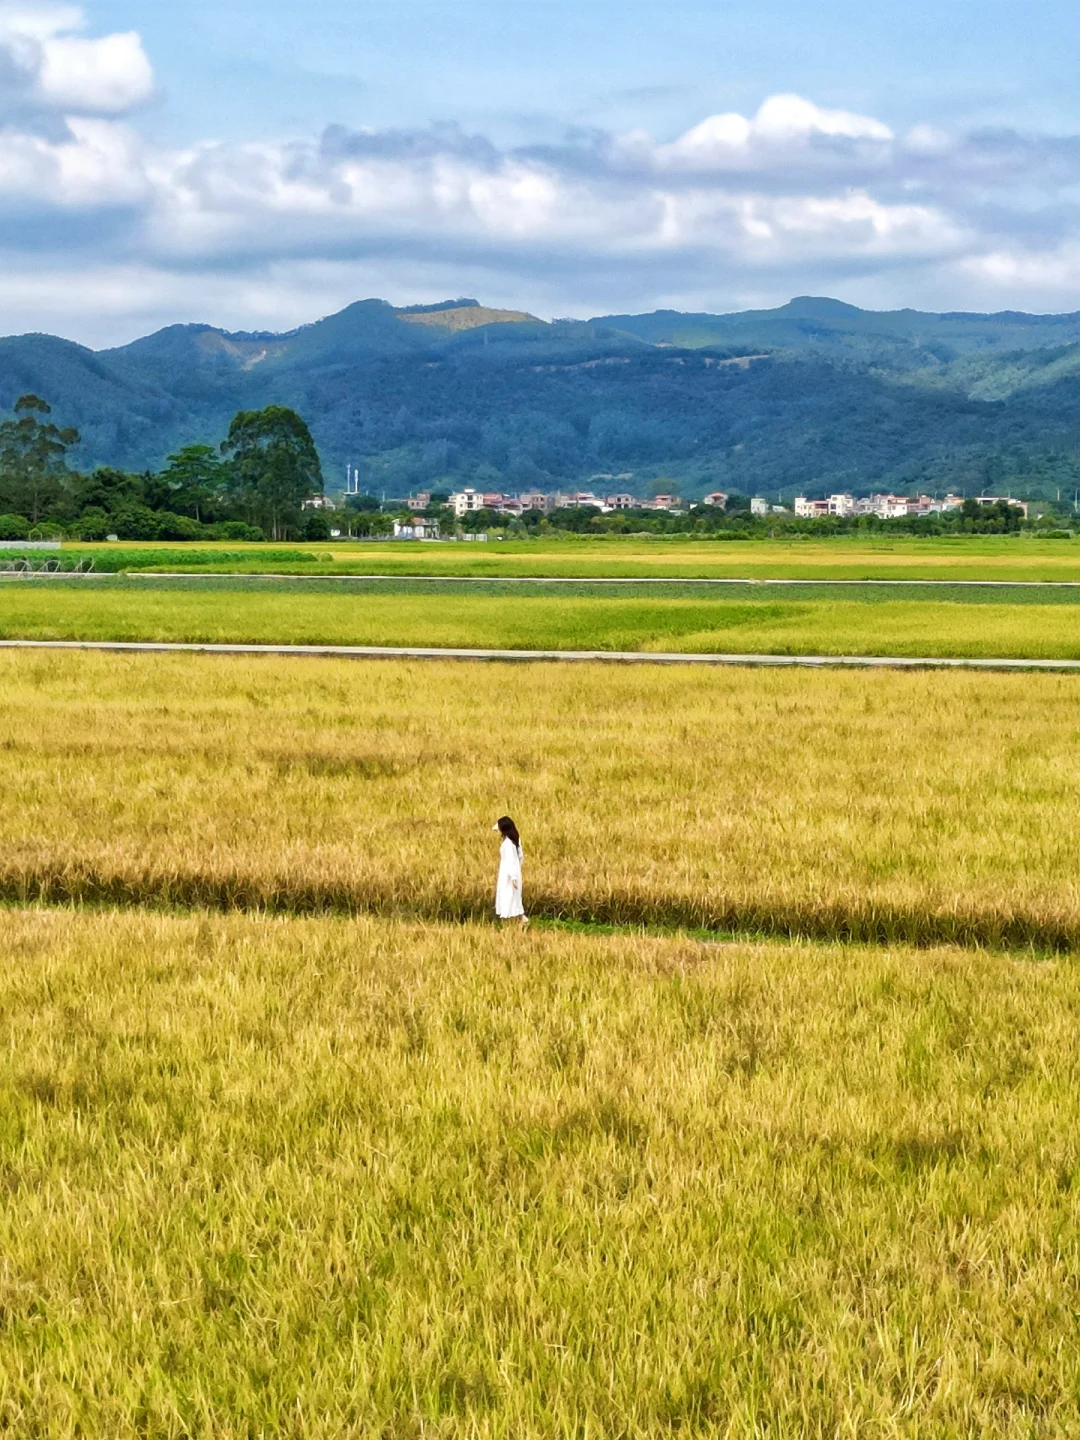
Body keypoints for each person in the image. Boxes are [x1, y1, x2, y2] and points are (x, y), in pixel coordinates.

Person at [493, 816, 528, 928]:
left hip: (508, 875)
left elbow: (510, 860)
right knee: (513, 898)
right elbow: (520, 857)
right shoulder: (515, 840)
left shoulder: (508, 844)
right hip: (512, 872)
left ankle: (510, 925)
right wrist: (517, 872)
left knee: (507, 897)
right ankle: (519, 921)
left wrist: (513, 876)